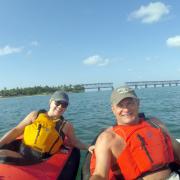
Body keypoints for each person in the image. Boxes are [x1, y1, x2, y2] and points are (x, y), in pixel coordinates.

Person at [90, 85, 180, 180]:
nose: (126, 109)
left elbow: (177, 149)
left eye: (130, 103)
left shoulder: (155, 123)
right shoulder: (107, 138)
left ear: (138, 103)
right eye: (120, 105)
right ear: (113, 109)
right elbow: (100, 175)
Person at [0, 91, 89, 163]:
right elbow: (16, 130)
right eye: (58, 103)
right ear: (50, 102)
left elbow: (75, 141)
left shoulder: (66, 126)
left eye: (64, 105)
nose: (60, 106)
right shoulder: (35, 115)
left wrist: (88, 147)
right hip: (21, 148)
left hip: (35, 157)